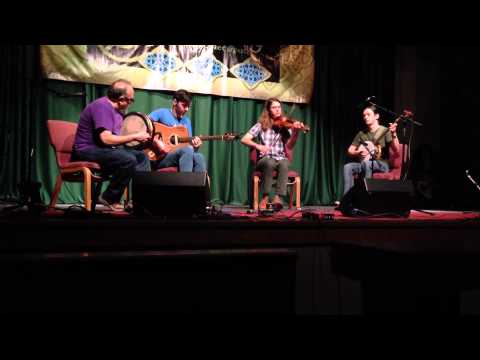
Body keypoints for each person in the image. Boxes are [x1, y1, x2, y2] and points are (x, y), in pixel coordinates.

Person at [71, 79, 151, 211]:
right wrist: (135, 136)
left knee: (141, 157)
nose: (130, 103)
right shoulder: (102, 106)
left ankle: (140, 201)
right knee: (127, 159)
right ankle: (109, 197)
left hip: (103, 150)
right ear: (121, 99)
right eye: (131, 100)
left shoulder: (118, 112)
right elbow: (106, 139)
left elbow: (116, 140)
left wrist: (137, 141)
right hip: (85, 150)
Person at [241, 98, 305, 211]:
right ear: (268, 110)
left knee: (284, 162)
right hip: (264, 159)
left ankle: (277, 197)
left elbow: (290, 146)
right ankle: (265, 197)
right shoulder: (261, 125)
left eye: (279, 107)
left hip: (280, 158)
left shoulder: (285, 125)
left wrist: (295, 132)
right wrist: (258, 146)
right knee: (269, 162)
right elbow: (244, 139)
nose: (277, 110)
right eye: (274, 107)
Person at [342, 104, 399, 195]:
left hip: (382, 164)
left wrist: (394, 134)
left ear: (376, 116)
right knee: (348, 167)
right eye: (364, 115)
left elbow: (396, 149)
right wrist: (358, 152)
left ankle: (366, 196)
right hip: (365, 163)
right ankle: (347, 199)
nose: (365, 117)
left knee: (367, 164)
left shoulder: (384, 131)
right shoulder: (362, 134)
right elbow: (350, 150)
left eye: (368, 114)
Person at [148, 89, 207, 172]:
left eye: (188, 107)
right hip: (159, 157)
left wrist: (195, 147)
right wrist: (156, 141)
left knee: (199, 156)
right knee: (187, 150)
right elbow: (144, 126)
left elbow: (188, 147)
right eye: (184, 105)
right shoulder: (162, 113)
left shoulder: (187, 121)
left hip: (179, 154)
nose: (186, 109)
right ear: (175, 102)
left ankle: (197, 185)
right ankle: (185, 184)